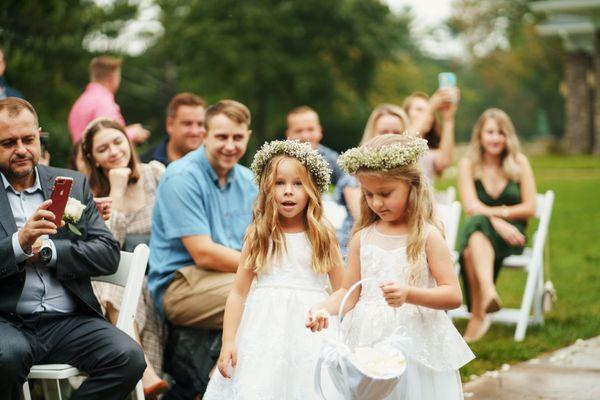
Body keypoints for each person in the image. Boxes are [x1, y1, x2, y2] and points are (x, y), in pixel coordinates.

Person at [307, 134, 474, 399]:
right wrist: (322, 308)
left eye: (385, 194)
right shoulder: (363, 237)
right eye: (369, 194)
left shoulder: (427, 236)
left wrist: (410, 294)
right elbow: (348, 293)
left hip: (413, 340)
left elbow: (452, 295)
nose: (376, 202)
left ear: (412, 186)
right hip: (367, 338)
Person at [0, 97, 145, 399]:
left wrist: (50, 251)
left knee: (128, 358)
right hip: (8, 322)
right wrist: (20, 243)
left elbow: (107, 253)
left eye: (28, 139)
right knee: (6, 357)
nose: (22, 150)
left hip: (70, 321)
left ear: (39, 135)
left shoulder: (71, 183)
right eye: (8, 143)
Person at [204, 140, 344, 399]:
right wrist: (229, 341)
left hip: (310, 333)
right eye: (280, 183)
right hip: (262, 331)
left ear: (312, 188)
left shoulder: (324, 236)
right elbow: (238, 293)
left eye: (298, 184)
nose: (288, 191)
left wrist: (324, 309)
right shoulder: (259, 234)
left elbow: (343, 289)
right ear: (267, 188)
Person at [148, 100, 257, 396]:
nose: (230, 146)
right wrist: (263, 268)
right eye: (222, 137)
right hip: (180, 283)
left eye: (237, 137)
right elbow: (203, 252)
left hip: (229, 277)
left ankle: (225, 386)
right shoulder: (182, 176)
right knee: (261, 297)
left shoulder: (249, 181)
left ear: (248, 135)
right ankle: (219, 388)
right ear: (205, 135)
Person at [81, 117, 169, 398]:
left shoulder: (155, 174)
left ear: (128, 141)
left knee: (119, 286)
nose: (114, 151)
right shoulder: (91, 195)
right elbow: (106, 250)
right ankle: (145, 373)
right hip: (122, 286)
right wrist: (115, 191)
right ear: (94, 160)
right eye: (103, 149)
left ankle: (143, 372)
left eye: (118, 141)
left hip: (158, 272)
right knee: (114, 283)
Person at [457, 108, 537, 342]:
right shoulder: (468, 165)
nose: (496, 138)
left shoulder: (519, 163)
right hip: (485, 230)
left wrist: (500, 217)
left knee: (474, 237)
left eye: (501, 133)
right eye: (490, 132)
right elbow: (470, 206)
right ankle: (488, 294)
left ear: (508, 136)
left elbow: (530, 207)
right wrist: (496, 221)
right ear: (480, 135)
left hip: (512, 236)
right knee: (476, 232)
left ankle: (480, 314)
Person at [335, 104, 411, 257]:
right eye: (383, 132)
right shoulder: (355, 172)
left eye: (396, 132)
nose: (388, 137)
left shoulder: (410, 174)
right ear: (372, 134)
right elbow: (362, 215)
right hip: (360, 244)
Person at [68, 56, 149, 145]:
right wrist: (134, 133)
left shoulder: (79, 103)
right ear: (112, 78)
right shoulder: (103, 102)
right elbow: (110, 138)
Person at [403, 89, 459, 182]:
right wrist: (430, 108)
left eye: (431, 113)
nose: (428, 115)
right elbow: (404, 144)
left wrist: (448, 119)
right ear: (406, 114)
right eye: (419, 109)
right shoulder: (395, 141)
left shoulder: (430, 151)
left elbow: (444, 162)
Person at [141, 92, 206, 166]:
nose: (195, 131)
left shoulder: (215, 166)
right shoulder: (144, 165)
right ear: (170, 125)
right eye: (187, 124)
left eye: (200, 124)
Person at [285, 106, 343, 185]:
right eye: (298, 131)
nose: (305, 136)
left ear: (319, 131)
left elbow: (347, 183)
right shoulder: (279, 161)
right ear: (288, 134)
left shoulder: (332, 159)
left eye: (310, 129)